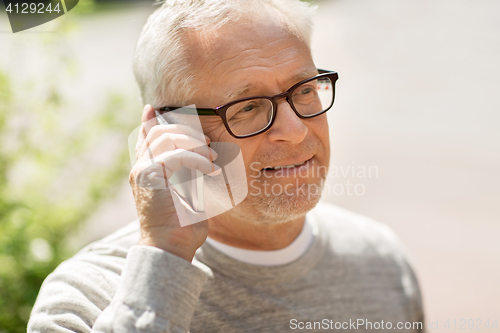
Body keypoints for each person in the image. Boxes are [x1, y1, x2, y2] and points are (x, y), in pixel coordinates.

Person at [28, 0, 425, 332]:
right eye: (248, 107)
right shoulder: (86, 299)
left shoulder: (381, 260)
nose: (296, 131)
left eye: (303, 90)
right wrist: (165, 258)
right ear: (166, 129)